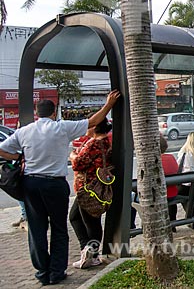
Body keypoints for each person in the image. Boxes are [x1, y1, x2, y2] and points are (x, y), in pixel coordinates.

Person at [0, 90, 120, 285]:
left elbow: (2, 149)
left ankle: (42, 271)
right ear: (54, 112)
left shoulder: (24, 132)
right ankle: (56, 272)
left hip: (31, 184)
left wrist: (19, 157)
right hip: (55, 184)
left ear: (37, 113)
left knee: (37, 229)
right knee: (58, 228)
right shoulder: (62, 128)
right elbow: (92, 122)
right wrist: (108, 105)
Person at [69, 118, 113, 269]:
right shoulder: (105, 141)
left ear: (94, 128)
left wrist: (73, 156)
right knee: (76, 217)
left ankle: (91, 254)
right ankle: (87, 251)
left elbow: (77, 163)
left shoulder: (93, 143)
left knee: (90, 222)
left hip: (88, 189)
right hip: (95, 187)